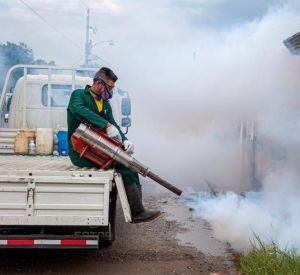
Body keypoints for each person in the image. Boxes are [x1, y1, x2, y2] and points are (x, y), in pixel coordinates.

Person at [67, 67, 160, 223]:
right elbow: (79, 110)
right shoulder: (79, 96)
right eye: (109, 87)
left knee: (132, 163)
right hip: (81, 152)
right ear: (98, 83)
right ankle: (137, 211)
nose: (110, 92)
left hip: (98, 148)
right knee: (125, 166)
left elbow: (113, 124)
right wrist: (105, 125)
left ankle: (138, 208)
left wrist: (124, 140)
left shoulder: (104, 104)